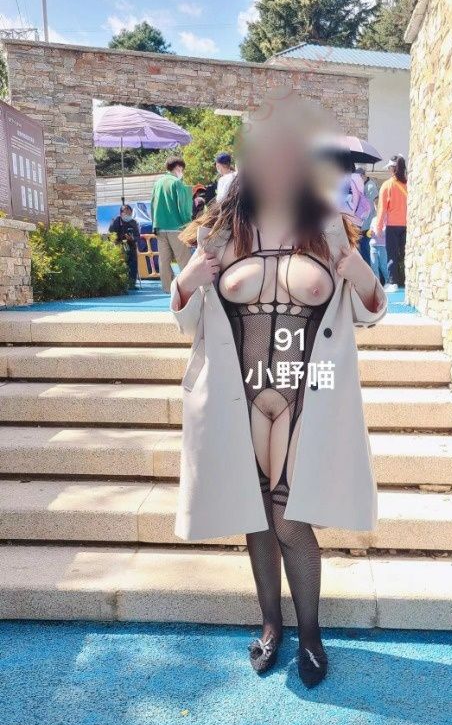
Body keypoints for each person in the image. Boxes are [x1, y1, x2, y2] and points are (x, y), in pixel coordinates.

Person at [170, 99, 388, 688]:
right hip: (239, 392)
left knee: (290, 519)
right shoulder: (222, 232)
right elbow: (186, 315)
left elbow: (370, 310)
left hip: (307, 392)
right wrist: (188, 280)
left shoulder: (326, 229)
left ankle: (310, 632)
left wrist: (352, 266)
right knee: (256, 514)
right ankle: (272, 624)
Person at [150, 157, 193, 293]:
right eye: (182, 169)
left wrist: (154, 225)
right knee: (184, 260)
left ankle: (168, 288)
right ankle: (188, 288)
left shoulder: (158, 183)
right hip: (177, 228)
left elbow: (152, 204)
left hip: (160, 227)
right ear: (178, 167)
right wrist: (188, 224)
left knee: (164, 261)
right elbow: (183, 207)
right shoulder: (177, 183)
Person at [375, 154, 408, 292]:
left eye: (389, 168)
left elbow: (382, 208)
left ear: (393, 168)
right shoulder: (408, 184)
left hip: (393, 226)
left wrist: (378, 227)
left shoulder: (387, 185)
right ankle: (409, 280)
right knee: (406, 254)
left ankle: (393, 283)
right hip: (407, 225)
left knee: (392, 255)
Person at [108, 203, 140, 289]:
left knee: (133, 262)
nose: (128, 215)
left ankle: (132, 284)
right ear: (121, 213)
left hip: (130, 246)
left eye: (129, 213)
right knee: (120, 262)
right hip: (119, 245)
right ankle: (120, 283)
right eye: (126, 213)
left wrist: (131, 238)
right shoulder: (116, 221)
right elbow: (111, 235)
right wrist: (119, 239)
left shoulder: (133, 222)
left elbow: (137, 237)